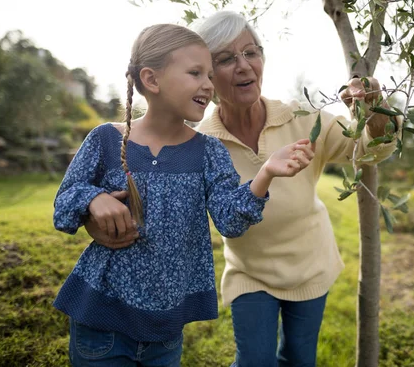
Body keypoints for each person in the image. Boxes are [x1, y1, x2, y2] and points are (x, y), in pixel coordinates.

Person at [86, 11, 400, 367]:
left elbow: (369, 151)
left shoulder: (303, 119)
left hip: (310, 265)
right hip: (250, 273)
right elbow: (159, 204)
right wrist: (93, 212)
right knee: (254, 361)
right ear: (206, 75)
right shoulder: (199, 144)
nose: (244, 66)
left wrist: (375, 110)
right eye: (225, 59)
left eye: (252, 53)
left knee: (300, 359)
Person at [52, 23, 314, 367]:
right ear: (152, 79)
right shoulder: (105, 139)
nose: (208, 84)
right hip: (100, 320)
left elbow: (229, 220)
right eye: (195, 73)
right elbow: (63, 206)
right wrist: (92, 199)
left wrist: (265, 173)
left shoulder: (208, 151)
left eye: (209, 74)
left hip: (166, 330)